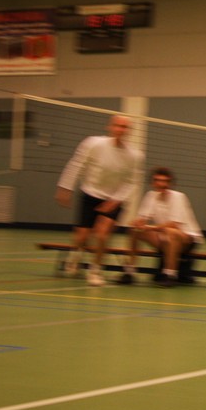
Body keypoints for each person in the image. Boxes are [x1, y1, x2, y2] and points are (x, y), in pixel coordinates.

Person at [56, 115, 143, 286]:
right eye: (117, 125)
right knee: (81, 238)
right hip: (89, 194)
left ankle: (95, 270)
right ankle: (75, 256)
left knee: (103, 235)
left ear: (129, 131)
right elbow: (76, 164)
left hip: (113, 199)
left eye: (125, 127)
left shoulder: (135, 155)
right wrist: (65, 187)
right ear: (109, 127)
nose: (120, 129)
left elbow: (133, 181)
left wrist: (116, 200)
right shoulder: (93, 143)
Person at [129, 167, 203, 287]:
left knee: (170, 231)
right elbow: (143, 218)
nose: (162, 184)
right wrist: (137, 223)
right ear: (153, 183)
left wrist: (150, 228)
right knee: (135, 230)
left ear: (170, 183)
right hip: (164, 236)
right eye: (158, 180)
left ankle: (170, 274)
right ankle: (129, 271)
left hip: (188, 238)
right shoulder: (150, 196)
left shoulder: (178, 197)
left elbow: (174, 224)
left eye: (165, 181)